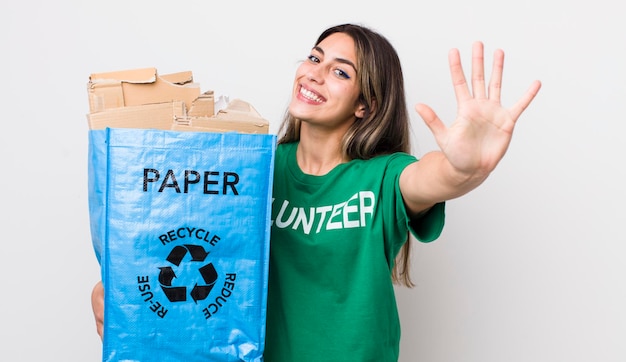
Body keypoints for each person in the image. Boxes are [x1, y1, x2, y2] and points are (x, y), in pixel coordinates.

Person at [91, 23, 541, 361]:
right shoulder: (250, 166)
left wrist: (466, 167)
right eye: (314, 57)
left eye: (340, 72)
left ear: (365, 105)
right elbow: (185, 237)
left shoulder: (383, 178)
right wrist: (119, 289)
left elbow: (434, 178)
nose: (315, 73)